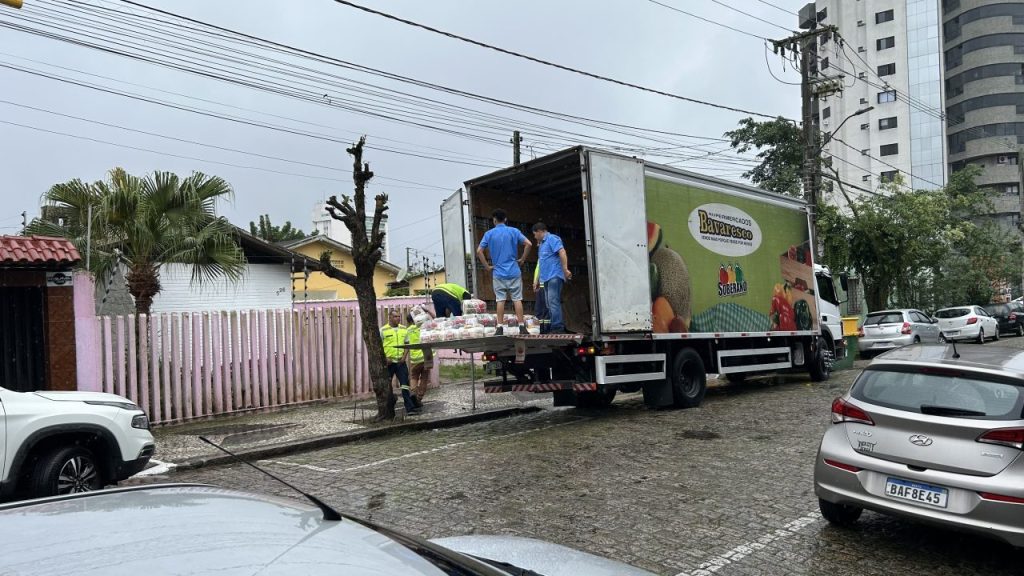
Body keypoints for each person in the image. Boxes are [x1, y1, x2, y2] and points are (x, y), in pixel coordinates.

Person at [476, 209, 532, 335]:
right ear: (505, 219)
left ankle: (500, 327)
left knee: (500, 300)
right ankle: (522, 326)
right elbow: (528, 244)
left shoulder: (489, 234)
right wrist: (522, 259)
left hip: (498, 273)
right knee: (517, 299)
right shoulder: (514, 231)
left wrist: (487, 266)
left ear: (494, 220)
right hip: (514, 271)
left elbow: (479, 251)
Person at [532, 222, 572, 333]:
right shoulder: (541, 244)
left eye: (535, 234)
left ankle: (557, 327)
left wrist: (565, 269)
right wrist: (537, 280)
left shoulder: (552, 239)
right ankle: (554, 326)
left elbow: (562, 252)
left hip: (554, 276)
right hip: (545, 279)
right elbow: (541, 262)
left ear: (540, 231)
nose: (535, 237)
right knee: (549, 303)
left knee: (553, 302)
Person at [380, 310, 419, 415]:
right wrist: (385, 358)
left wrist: (404, 357)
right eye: (395, 316)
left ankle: (409, 408)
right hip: (389, 362)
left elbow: (407, 344)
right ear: (390, 318)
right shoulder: (383, 330)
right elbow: (378, 348)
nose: (398, 318)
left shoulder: (403, 329)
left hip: (401, 362)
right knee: (387, 386)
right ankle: (387, 409)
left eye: (399, 316)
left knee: (405, 385)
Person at [406, 311, 434, 407]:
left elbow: (406, 343)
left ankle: (413, 392)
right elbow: (435, 320)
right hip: (427, 356)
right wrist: (427, 311)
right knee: (424, 378)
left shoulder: (408, 330)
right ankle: (419, 398)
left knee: (414, 376)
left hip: (415, 358)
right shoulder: (424, 327)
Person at [532, 263, 550, 333]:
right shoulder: (541, 257)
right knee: (539, 309)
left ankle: (545, 328)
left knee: (544, 309)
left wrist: (535, 282)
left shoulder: (544, 256)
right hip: (539, 285)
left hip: (543, 285)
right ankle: (540, 328)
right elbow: (537, 270)